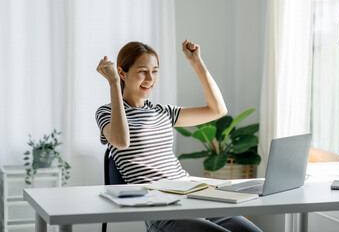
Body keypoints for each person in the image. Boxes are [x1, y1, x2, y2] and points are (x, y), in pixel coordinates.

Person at [95, 40, 262, 232]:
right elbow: (121, 141)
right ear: (122, 73)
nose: (150, 78)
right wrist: (114, 83)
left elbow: (217, 110)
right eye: (142, 71)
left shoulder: (162, 112)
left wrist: (196, 62)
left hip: (192, 197)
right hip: (161, 210)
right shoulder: (107, 112)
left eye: (155, 71)